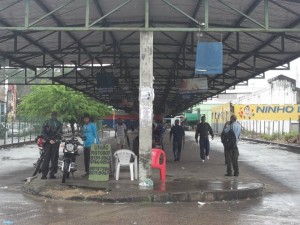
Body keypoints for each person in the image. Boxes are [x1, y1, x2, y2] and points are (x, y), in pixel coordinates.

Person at [40, 111, 63, 179]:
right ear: (56, 116)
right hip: (55, 143)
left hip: (47, 143)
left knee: (46, 158)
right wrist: (55, 140)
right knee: (54, 159)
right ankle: (52, 174)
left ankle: (44, 175)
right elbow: (59, 134)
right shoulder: (59, 124)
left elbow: (43, 132)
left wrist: (48, 139)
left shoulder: (46, 122)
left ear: (51, 115)